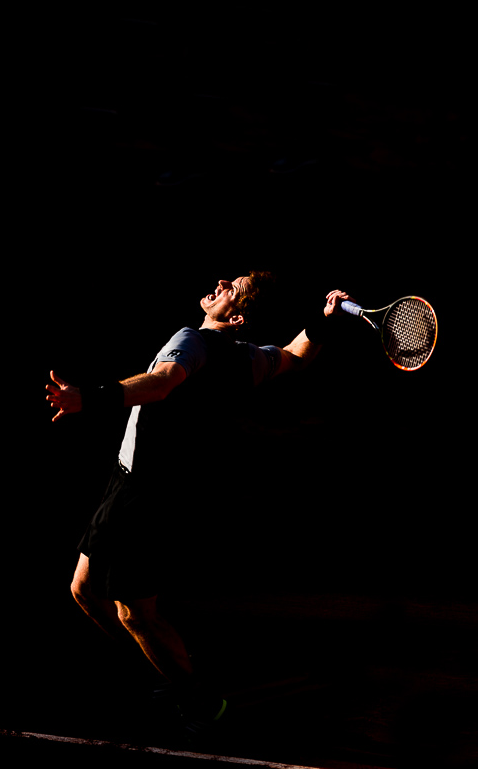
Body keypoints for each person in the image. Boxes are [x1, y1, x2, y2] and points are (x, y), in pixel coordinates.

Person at [46, 272, 351, 738]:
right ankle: (170, 676)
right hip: (145, 487)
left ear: (237, 314)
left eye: (234, 286)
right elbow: (293, 356)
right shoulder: (246, 360)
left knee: (135, 613)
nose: (222, 281)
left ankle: (198, 697)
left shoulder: (195, 340)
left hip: (142, 493)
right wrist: (324, 323)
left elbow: (160, 384)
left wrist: (85, 398)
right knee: (85, 590)